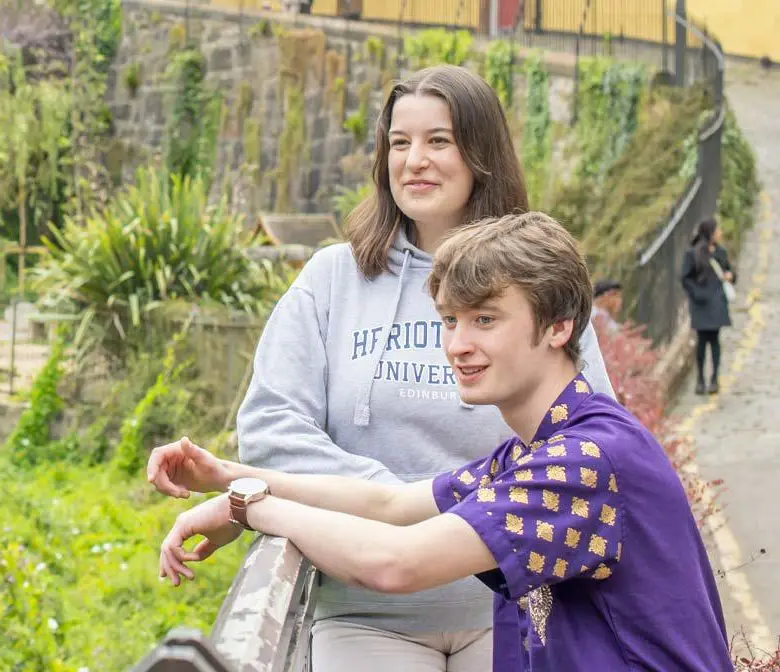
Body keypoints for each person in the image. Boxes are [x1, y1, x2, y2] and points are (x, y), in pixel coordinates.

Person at [149, 212, 731, 672]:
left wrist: (254, 509)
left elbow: (395, 563)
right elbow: (392, 505)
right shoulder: (541, 447)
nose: (456, 344)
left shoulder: (582, 461)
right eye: (449, 320)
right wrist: (230, 479)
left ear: (559, 326)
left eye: (485, 319)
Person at [230, 65, 613, 669]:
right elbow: (271, 431)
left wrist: (455, 519)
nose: (415, 160)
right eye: (399, 143)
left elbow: (588, 437)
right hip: (364, 610)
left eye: (439, 140)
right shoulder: (333, 280)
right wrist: (404, 502)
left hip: (513, 610)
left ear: (481, 153)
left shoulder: (534, 283)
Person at [679, 217, 734, 395]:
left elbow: (730, 271)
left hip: (717, 303)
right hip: (701, 305)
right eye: (717, 230)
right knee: (702, 342)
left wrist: (730, 275)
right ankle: (700, 380)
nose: (720, 233)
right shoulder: (692, 253)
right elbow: (685, 277)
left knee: (715, 340)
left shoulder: (721, 252)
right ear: (710, 232)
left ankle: (714, 379)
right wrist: (697, 294)